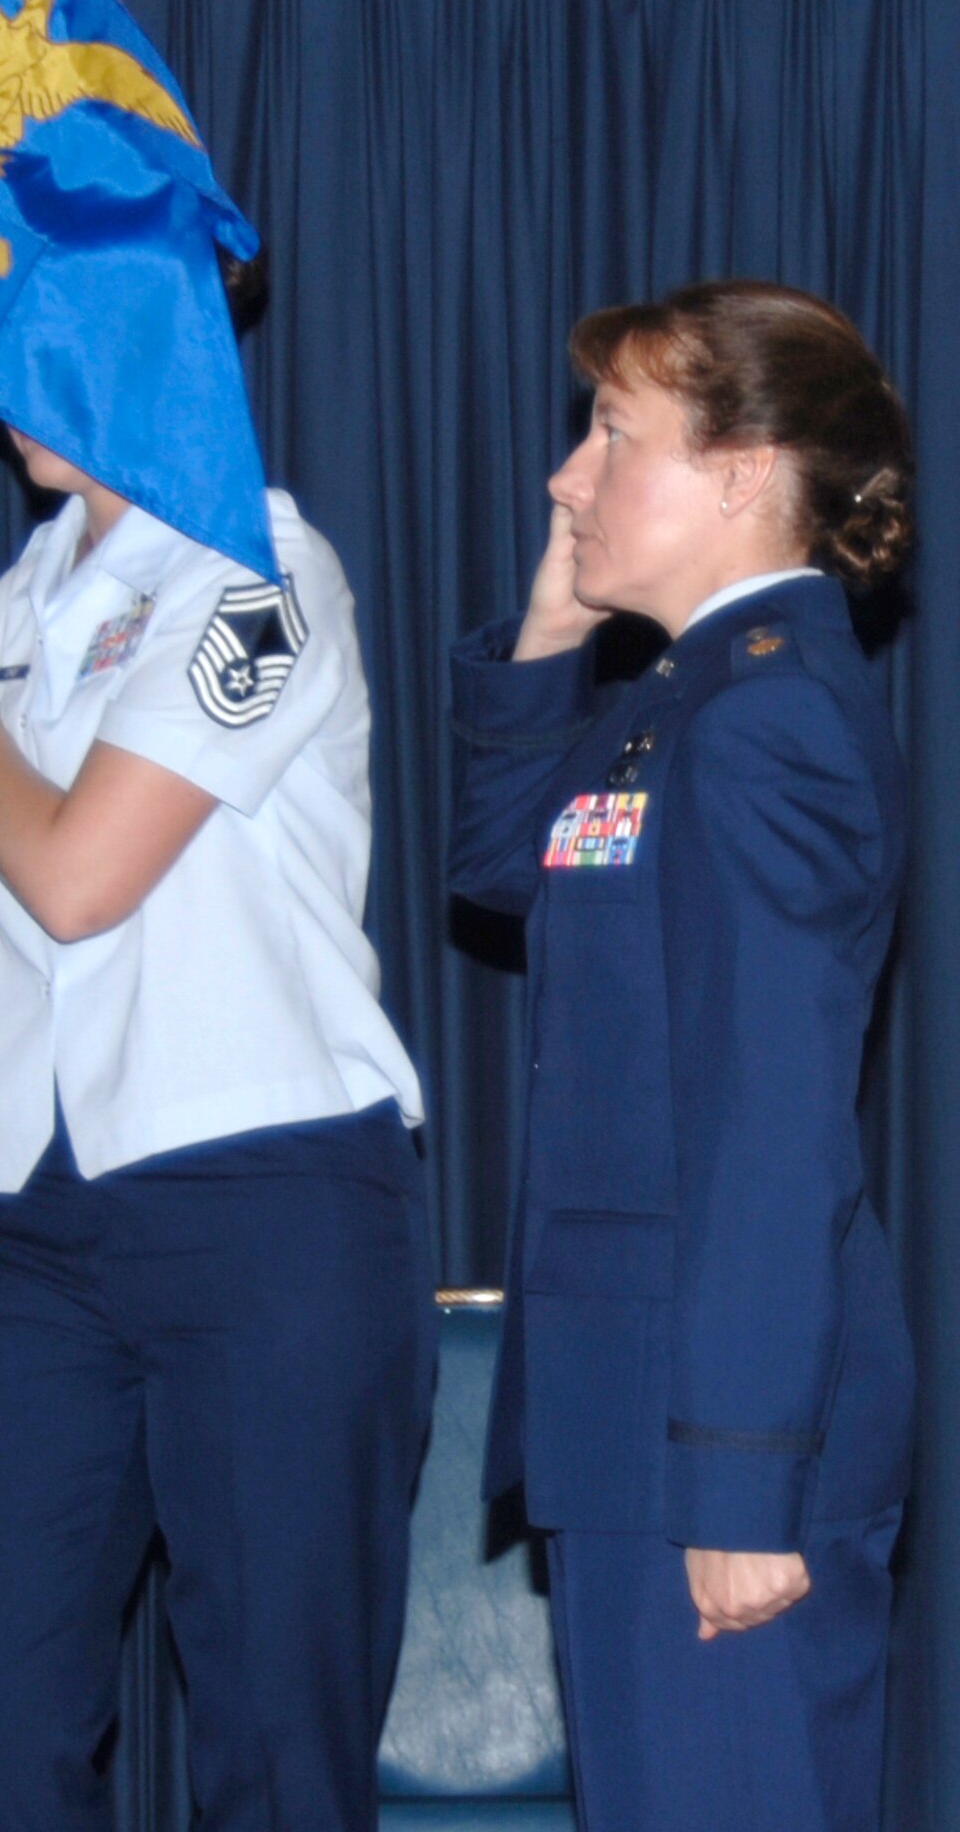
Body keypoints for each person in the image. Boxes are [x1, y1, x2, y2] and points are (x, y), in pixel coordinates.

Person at [0, 429, 434, 1830]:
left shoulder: (262, 566)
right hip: (27, 1220)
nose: (8, 384)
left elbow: (75, 876)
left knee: (277, 1734)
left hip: (264, 1184)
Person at [448, 280, 915, 1831]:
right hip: (628, 1421)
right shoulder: (681, 701)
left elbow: (774, 1131)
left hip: (708, 1445)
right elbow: (501, 867)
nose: (563, 477)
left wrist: (738, 1486)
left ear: (738, 471)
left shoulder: (768, 718)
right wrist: (550, 621)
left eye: (608, 435)